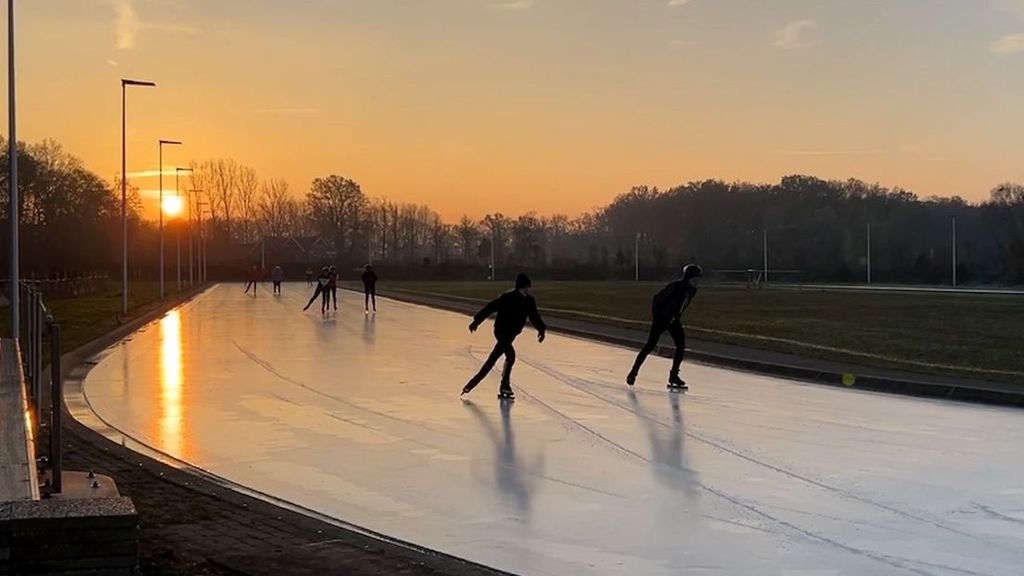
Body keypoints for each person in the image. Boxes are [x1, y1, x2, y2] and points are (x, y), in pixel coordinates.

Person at [462, 273, 546, 400]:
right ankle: (500, 385)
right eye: (525, 288)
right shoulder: (507, 298)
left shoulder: (529, 301)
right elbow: (490, 307)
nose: (527, 291)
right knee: (503, 357)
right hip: (501, 331)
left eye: (528, 288)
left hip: (512, 333)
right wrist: (477, 321)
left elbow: (534, 316)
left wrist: (541, 329)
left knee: (504, 357)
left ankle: (480, 385)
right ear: (519, 287)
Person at [626, 264, 702, 390]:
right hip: (662, 319)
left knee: (680, 346)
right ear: (690, 277)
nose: (698, 281)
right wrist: (658, 317)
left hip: (673, 319)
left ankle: (673, 376)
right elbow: (657, 299)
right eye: (696, 278)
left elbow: (680, 307)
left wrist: (674, 317)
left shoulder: (692, 290)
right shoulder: (676, 287)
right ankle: (633, 373)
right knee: (650, 345)